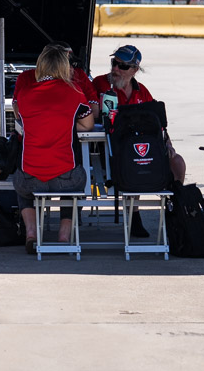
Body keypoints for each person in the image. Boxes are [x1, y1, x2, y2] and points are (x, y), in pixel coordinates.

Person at [12, 45, 96, 254]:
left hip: (29, 177)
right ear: (62, 67)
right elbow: (88, 125)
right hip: (65, 178)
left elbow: (20, 120)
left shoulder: (24, 93)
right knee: (79, 181)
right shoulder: (74, 93)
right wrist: (64, 121)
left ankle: (31, 233)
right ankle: (63, 235)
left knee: (22, 187)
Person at [91, 45, 186, 184]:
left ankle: (174, 203)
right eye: (114, 63)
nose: (115, 69)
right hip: (111, 148)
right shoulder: (99, 83)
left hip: (140, 146)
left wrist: (169, 145)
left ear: (135, 70)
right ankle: (133, 205)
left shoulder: (142, 91)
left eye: (123, 66)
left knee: (177, 162)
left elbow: (158, 122)